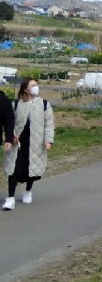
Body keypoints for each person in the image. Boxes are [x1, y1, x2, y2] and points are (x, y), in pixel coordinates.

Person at [3, 78, 55, 209]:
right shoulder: (16, 104)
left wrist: (48, 140)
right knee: (13, 170)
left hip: (35, 143)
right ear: (25, 88)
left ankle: (28, 191)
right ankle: (10, 198)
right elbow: (9, 123)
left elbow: (49, 124)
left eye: (36, 85)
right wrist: (11, 136)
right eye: (33, 85)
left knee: (31, 168)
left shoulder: (44, 104)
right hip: (18, 143)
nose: (36, 87)